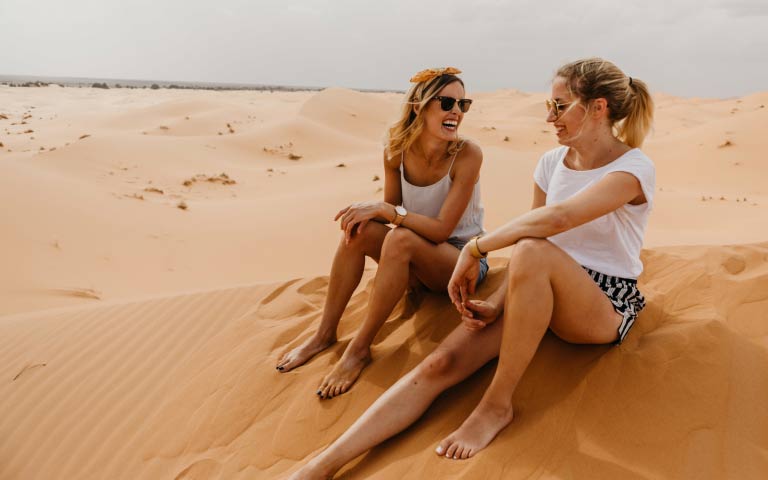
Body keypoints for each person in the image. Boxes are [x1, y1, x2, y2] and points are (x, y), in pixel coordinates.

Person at [287, 57, 655, 479]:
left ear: (598, 108)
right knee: (440, 364)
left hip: (602, 304)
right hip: (536, 283)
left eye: (559, 106)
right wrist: (498, 303)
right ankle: (318, 467)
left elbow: (555, 223)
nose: (549, 117)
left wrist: (477, 248)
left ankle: (497, 405)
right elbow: (531, 250)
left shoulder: (634, 168)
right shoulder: (551, 164)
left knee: (534, 248)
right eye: (548, 105)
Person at [276, 67, 488, 400]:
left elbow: (440, 229)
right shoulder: (396, 150)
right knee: (358, 229)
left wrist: (387, 211)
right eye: (447, 103)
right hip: (416, 256)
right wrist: (375, 213)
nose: (456, 113)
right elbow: (388, 217)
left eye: (464, 105)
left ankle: (359, 348)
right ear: (419, 106)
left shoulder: (467, 154)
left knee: (400, 238)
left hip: (461, 261)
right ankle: (324, 334)